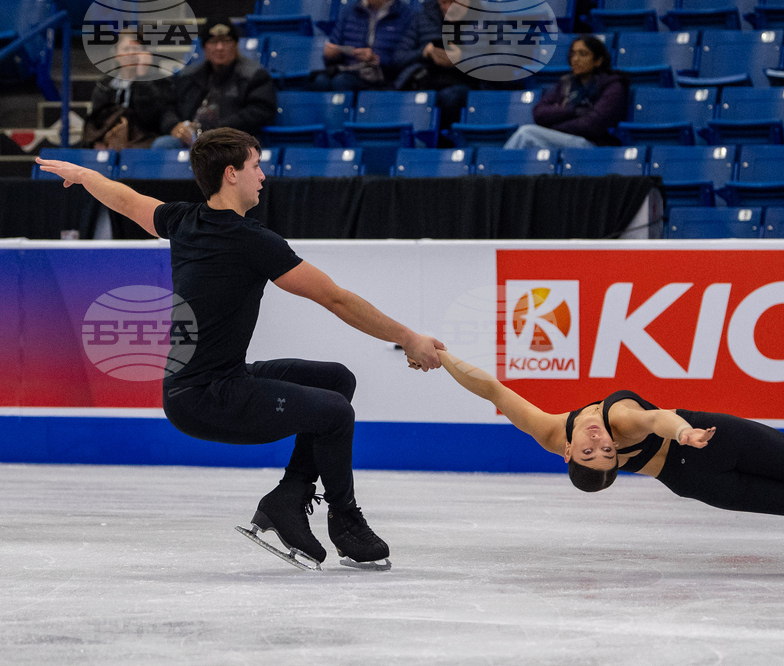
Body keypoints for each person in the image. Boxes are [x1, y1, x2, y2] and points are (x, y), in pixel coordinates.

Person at [35, 128, 445, 570]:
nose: (263, 176)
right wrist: (409, 338)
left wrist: (84, 175)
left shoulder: (183, 220)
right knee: (335, 413)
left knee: (335, 380)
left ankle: (288, 496)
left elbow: (125, 199)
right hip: (207, 398)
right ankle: (345, 522)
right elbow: (335, 298)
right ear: (231, 174)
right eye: (255, 166)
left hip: (208, 383)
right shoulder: (251, 241)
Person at [426, 350, 784, 573]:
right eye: (605, 454)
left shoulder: (556, 430)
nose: (599, 439)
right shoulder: (585, 442)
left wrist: (441, 356)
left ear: (567, 451)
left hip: (715, 439)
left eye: (593, 447)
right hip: (696, 481)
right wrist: (681, 441)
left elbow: (492, 389)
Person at [152, 17, 277, 149]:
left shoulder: (253, 75)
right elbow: (168, 107)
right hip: (192, 139)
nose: (220, 47)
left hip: (231, 139)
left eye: (226, 41)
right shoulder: (187, 76)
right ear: (204, 47)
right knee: (163, 145)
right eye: (213, 42)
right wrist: (174, 126)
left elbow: (261, 110)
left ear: (235, 44)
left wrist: (218, 130)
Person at [504, 35, 628, 150]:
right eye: (573, 54)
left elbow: (592, 124)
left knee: (526, 134)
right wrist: (573, 110)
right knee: (529, 142)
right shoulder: (566, 82)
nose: (575, 59)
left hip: (594, 144)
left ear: (598, 61)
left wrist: (554, 126)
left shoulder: (613, 85)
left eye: (583, 54)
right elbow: (539, 113)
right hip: (566, 139)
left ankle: (495, 174)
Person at [392, 0, 480, 129]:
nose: (447, 8)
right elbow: (397, 59)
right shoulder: (422, 16)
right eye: (443, 3)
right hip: (427, 80)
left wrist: (463, 59)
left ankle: (445, 144)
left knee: (450, 97)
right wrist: (424, 52)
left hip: (468, 84)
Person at [82, 34, 172, 149]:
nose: (131, 53)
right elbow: (96, 119)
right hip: (109, 139)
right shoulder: (105, 85)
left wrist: (142, 76)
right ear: (116, 54)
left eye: (136, 49)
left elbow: (153, 118)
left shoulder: (158, 82)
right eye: (126, 49)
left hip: (145, 140)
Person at [311, 0, 413, 92]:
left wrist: (377, 60)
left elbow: (404, 57)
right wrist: (331, 54)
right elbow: (334, 45)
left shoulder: (404, 14)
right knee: (320, 81)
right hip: (349, 70)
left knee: (342, 81)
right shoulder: (350, 11)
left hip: (381, 77)